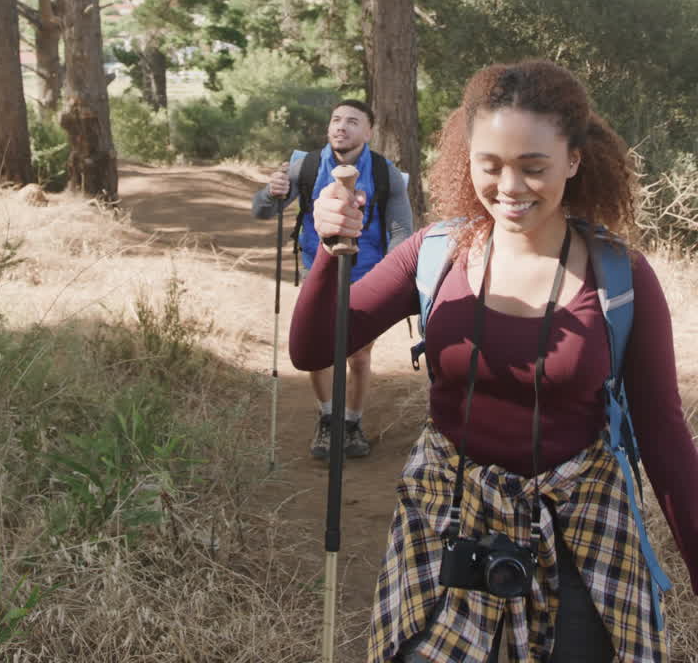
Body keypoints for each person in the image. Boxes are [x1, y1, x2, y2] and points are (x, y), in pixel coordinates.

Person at [289, 60, 698, 662]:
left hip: (580, 530)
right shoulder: (437, 255)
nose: (510, 187)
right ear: (467, 158)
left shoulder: (621, 279)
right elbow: (313, 347)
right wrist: (331, 253)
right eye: (491, 165)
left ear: (574, 161)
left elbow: (665, 438)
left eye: (534, 168)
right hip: (447, 516)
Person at [252, 98, 413, 461]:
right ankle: (328, 418)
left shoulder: (386, 174)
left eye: (353, 121)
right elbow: (263, 211)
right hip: (318, 271)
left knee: (358, 354)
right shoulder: (305, 166)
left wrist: (395, 280)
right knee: (319, 351)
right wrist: (270, 192)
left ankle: (352, 423)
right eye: (336, 119)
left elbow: (402, 229)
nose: (342, 126)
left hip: (369, 274)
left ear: (369, 132)